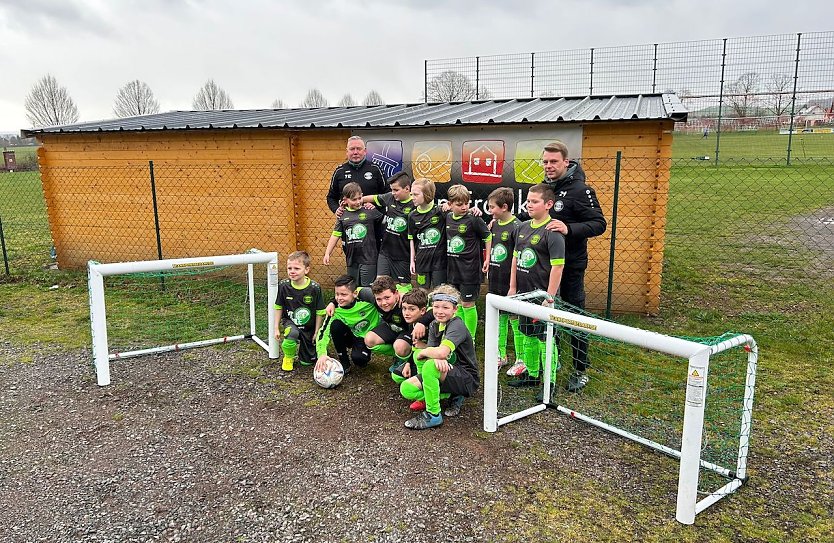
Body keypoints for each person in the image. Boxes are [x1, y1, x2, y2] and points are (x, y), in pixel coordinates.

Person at [537, 141, 607, 392]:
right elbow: (531, 216)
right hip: (545, 266)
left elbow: (599, 224)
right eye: (545, 161)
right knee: (548, 314)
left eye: (553, 161)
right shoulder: (546, 188)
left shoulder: (580, 190)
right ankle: (551, 362)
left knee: (574, 316)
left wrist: (569, 229)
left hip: (571, 267)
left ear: (566, 162)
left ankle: (580, 368)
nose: (548, 166)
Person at [507, 184, 565, 389]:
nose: (529, 205)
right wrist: (513, 288)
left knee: (544, 339)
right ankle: (531, 375)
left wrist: (549, 297)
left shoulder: (553, 232)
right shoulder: (522, 227)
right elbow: (515, 259)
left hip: (542, 298)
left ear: (548, 204)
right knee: (527, 334)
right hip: (523, 294)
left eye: (534, 201)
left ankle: (550, 382)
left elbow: (558, 267)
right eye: (528, 201)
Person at [400, 285, 480, 430]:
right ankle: (447, 395)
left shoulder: (457, 325)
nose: (440, 311)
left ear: (455, 309)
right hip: (446, 370)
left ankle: (433, 414)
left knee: (428, 363)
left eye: (445, 307)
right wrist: (429, 354)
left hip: (466, 377)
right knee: (407, 388)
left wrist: (428, 353)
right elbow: (433, 351)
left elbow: (442, 352)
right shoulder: (434, 325)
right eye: (436, 307)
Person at [444, 184, 492, 339]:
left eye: (467, 203)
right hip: (453, 270)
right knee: (457, 304)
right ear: (450, 204)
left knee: (467, 304)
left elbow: (488, 237)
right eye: (459, 204)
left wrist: (487, 259)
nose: (464, 207)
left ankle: (469, 339)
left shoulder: (474, 219)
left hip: (470, 270)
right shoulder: (447, 217)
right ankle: (460, 336)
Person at [486, 187, 525, 370]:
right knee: (499, 318)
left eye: (492, 207)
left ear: (504, 207)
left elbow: (518, 258)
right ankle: (501, 355)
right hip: (495, 279)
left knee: (514, 318)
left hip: (510, 283)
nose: (490, 210)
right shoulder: (494, 224)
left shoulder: (517, 227)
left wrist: (513, 285)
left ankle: (521, 358)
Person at [315, 275, 382, 374]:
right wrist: (322, 354)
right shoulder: (334, 310)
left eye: (343, 294)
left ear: (354, 293)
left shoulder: (367, 301)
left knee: (360, 360)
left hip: (367, 337)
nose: (339, 298)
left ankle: (361, 353)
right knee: (335, 325)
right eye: (337, 294)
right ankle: (344, 361)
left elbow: (382, 292)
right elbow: (323, 333)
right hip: (349, 335)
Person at [273, 251, 327, 371]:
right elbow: (278, 306)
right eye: (289, 268)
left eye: (296, 268)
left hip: (309, 326)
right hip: (290, 322)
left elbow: (320, 311)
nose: (292, 271)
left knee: (306, 363)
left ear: (306, 270)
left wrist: (317, 331)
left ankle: (306, 352)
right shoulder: (283, 285)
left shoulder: (314, 288)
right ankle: (288, 357)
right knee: (292, 333)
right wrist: (276, 327)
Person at [323, 182, 383, 287]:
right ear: (345, 200)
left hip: (369, 259)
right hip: (351, 260)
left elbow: (385, 223)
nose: (358, 202)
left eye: (360, 198)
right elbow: (335, 235)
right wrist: (327, 253)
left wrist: (374, 207)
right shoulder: (342, 215)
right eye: (354, 199)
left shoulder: (370, 211)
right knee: (353, 287)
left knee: (367, 288)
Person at [364, 172, 414, 290]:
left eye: (396, 190)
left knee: (404, 288)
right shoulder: (389, 197)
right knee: (380, 286)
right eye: (392, 190)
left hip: (403, 255)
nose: (393, 193)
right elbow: (373, 197)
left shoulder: (415, 205)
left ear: (407, 188)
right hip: (385, 252)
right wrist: (355, 201)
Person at [326, 136, 388, 216]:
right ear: (347, 152)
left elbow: (387, 194)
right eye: (352, 149)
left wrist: (375, 206)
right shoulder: (339, 171)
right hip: (349, 221)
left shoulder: (375, 169)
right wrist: (336, 209)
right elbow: (331, 197)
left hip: (373, 219)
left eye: (359, 149)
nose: (355, 152)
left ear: (365, 151)